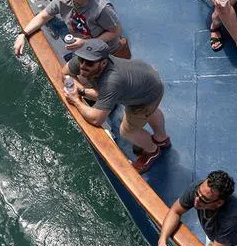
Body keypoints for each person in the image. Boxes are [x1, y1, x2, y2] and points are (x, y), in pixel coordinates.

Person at [62, 39, 170, 173]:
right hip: (148, 78)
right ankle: (162, 138)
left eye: (89, 63)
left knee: (127, 131)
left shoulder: (112, 81)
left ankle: (152, 150)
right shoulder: (86, 60)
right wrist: (82, 90)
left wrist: (76, 100)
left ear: (103, 63)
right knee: (152, 111)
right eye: (81, 59)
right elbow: (66, 73)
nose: (83, 66)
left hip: (145, 96)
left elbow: (97, 119)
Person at [13, 0, 123, 57]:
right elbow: (43, 17)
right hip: (81, 46)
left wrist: (87, 43)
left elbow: (115, 32)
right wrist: (23, 34)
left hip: (104, 50)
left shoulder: (101, 8)